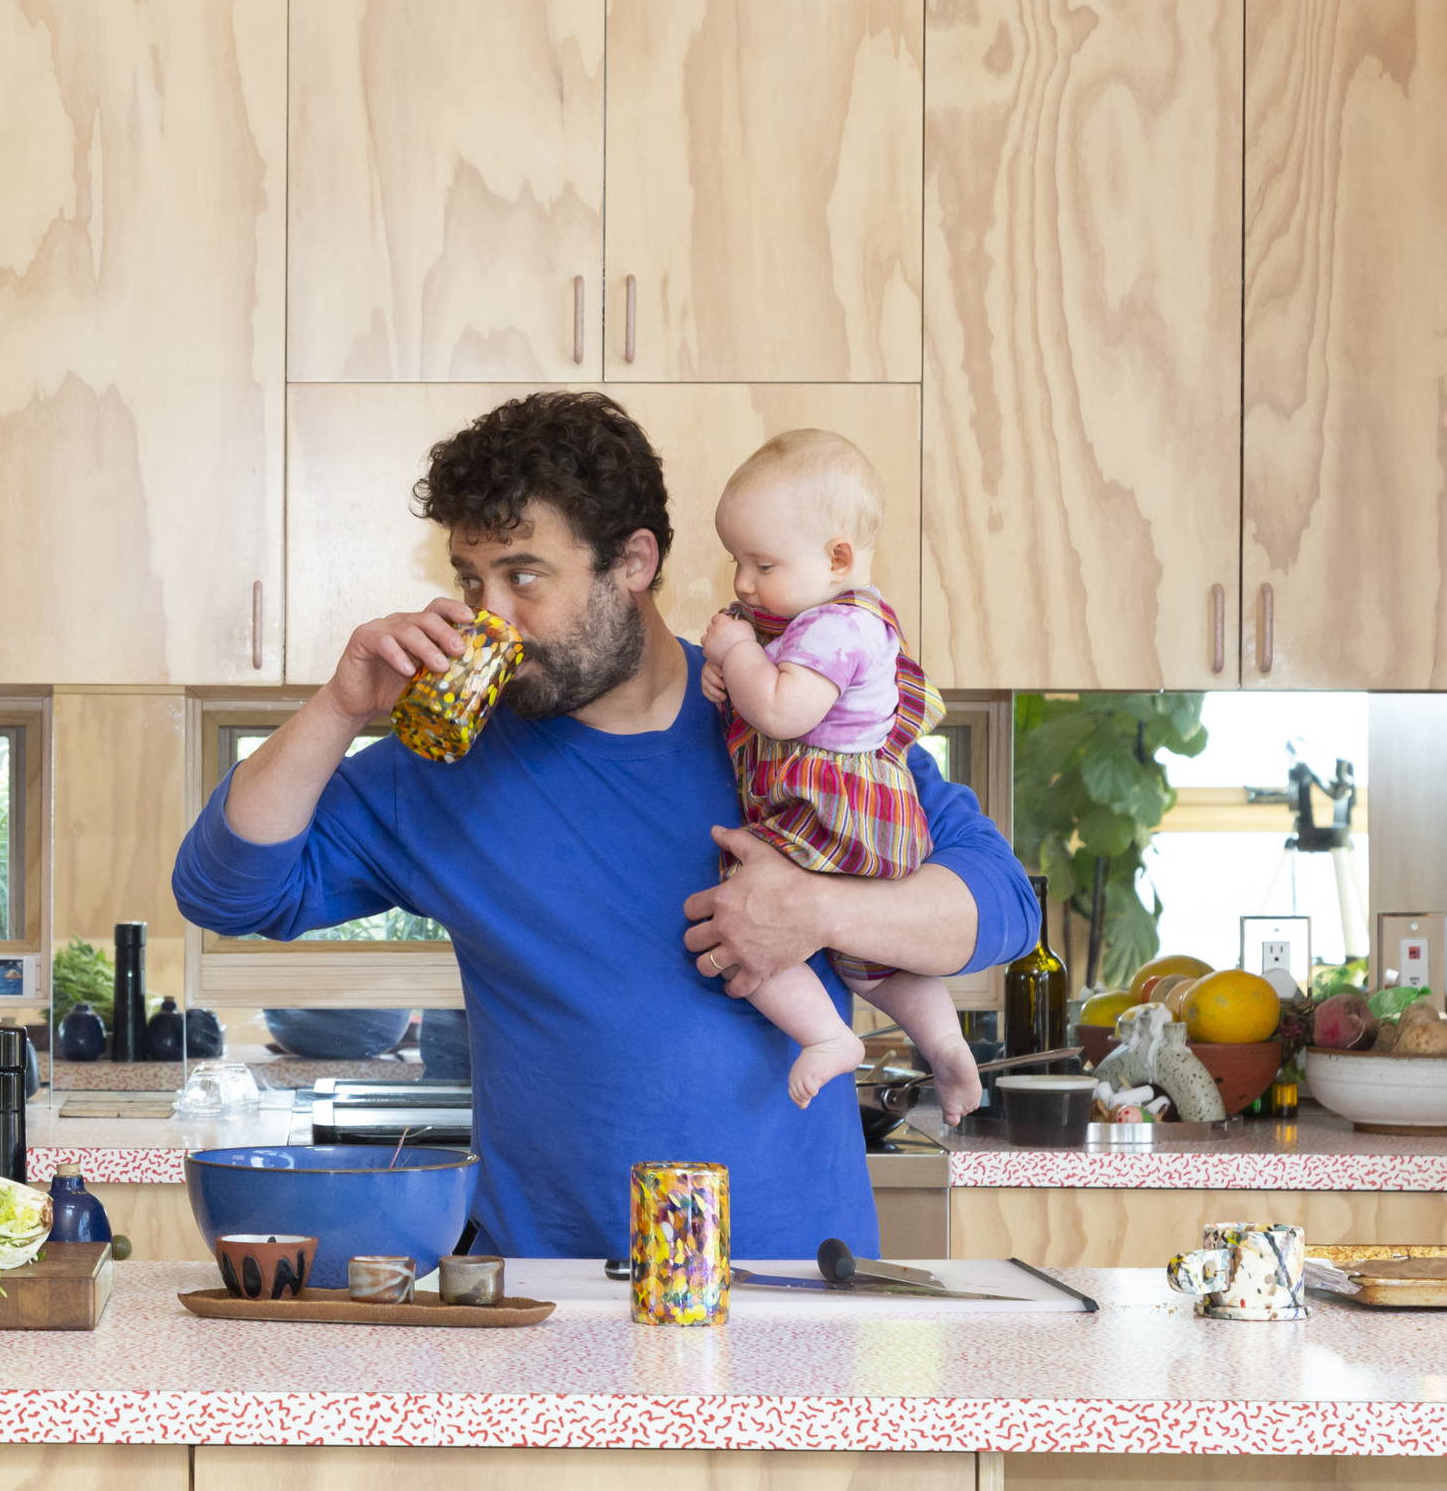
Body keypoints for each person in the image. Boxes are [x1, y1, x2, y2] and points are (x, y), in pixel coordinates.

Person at [170, 392, 1035, 1260]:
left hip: (796, 1286)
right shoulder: (446, 766)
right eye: (473, 581)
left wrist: (820, 912)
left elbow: (999, 905)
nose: (489, 615)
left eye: (524, 576)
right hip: (548, 1295)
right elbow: (227, 889)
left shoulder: (783, 721)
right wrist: (342, 703)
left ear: (633, 561)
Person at [696, 429, 985, 1123]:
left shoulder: (836, 627)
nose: (741, 583)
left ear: (838, 558)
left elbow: (781, 710)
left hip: (831, 813)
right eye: (735, 561)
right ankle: (945, 1046)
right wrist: (732, 667)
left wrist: (737, 655)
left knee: (746, 907)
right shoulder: (832, 621)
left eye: (760, 563)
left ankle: (828, 1034)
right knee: (868, 960)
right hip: (869, 820)